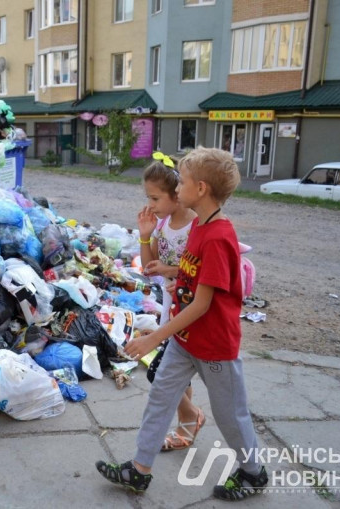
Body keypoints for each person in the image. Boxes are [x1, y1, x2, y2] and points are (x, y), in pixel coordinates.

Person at [96, 147, 267, 501]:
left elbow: (203, 304)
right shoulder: (200, 228)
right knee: (159, 398)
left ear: (201, 188)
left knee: (229, 416)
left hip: (214, 346)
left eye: (184, 182)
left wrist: (153, 338)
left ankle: (253, 471)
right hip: (185, 340)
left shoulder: (219, 236)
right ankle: (139, 470)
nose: (178, 188)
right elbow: (189, 283)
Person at [136, 152, 203, 452]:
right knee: (174, 371)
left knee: (160, 372)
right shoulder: (162, 226)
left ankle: (190, 416)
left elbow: (202, 272)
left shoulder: (196, 227)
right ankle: (186, 427)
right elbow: (150, 268)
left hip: (192, 309)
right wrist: (144, 236)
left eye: (155, 198)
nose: (151, 205)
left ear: (177, 194)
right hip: (169, 306)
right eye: (148, 198)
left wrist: (169, 270)